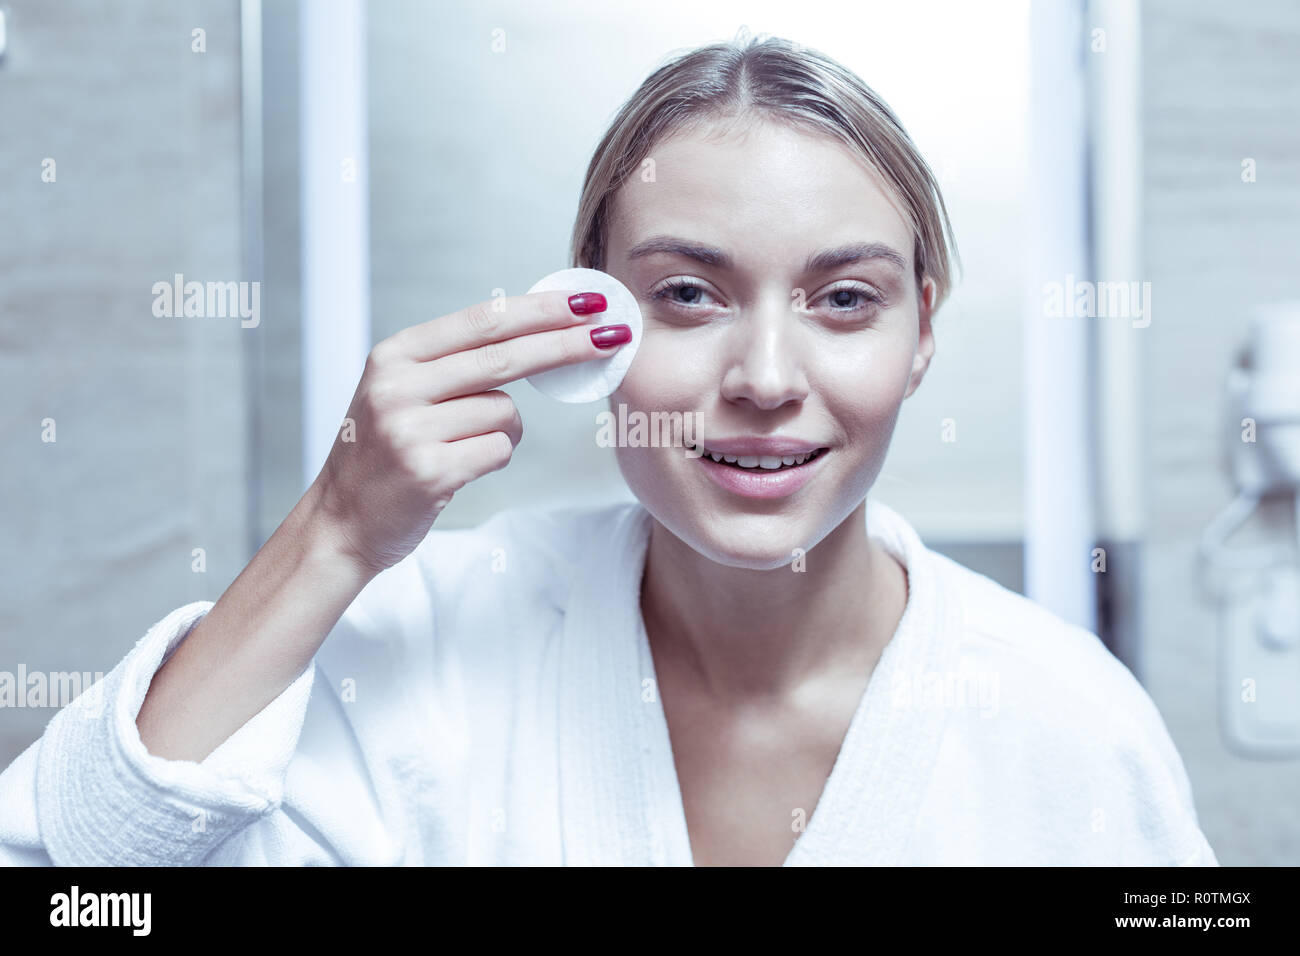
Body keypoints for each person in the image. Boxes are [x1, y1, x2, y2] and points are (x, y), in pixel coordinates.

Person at [0, 34, 1217, 866]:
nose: (766, 378)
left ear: (922, 335)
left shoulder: (1065, 720)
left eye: (844, 299)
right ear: (587, 329)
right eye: (688, 293)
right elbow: (74, 881)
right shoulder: (428, 647)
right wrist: (332, 531)